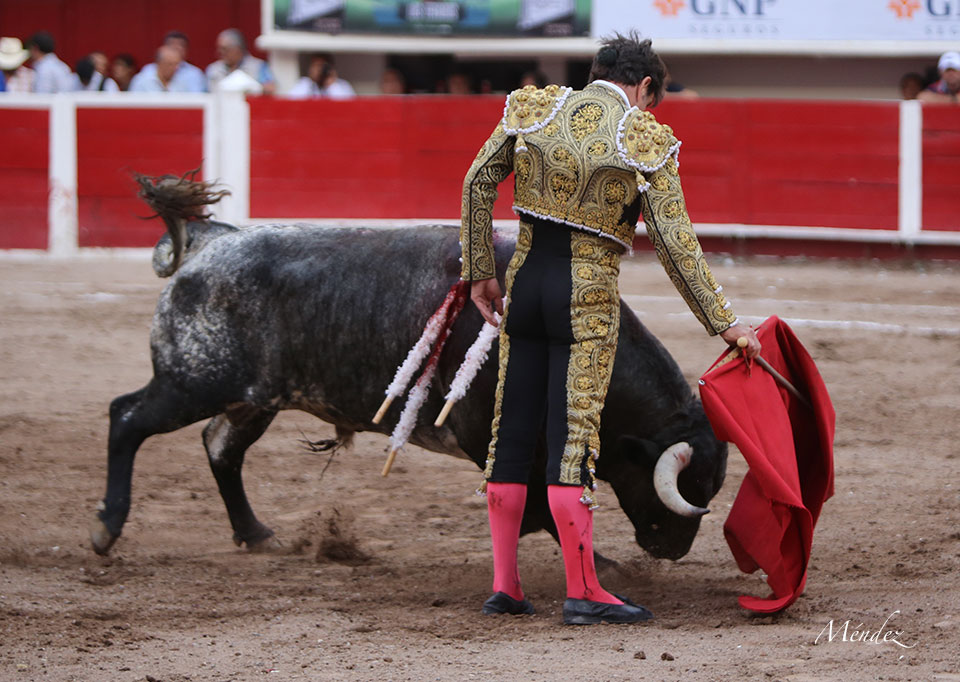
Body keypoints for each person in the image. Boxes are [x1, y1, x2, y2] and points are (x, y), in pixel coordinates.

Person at [459, 32, 760, 625]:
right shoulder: (643, 136)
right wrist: (723, 324)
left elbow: (476, 183)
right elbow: (676, 245)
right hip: (585, 295)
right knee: (573, 441)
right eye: (653, 99)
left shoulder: (535, 107)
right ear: (646, 87)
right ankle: (582, 592)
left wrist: (478, 273)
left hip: (523, 284)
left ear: (595, 72)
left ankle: (506, 587)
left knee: (511, 434)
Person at [206, 29, 275, 95]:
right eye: (219, 49)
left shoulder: (258, 67)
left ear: (238, 49)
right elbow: (204, 94)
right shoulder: (213, 70)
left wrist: (253, 88)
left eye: (225, 49)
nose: (221, 53)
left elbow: (270, 88)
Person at [135, 31, 207, 93]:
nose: (175, 68)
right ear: (159, 63)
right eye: (169, 64)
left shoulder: (191, 76)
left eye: (176, 64)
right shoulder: (144, 75)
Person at [288, 53, 355, 99]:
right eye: (316, 66)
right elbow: (292, 101)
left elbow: (347, 106)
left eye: (322, 66)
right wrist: (313, 80)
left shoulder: (342, 85)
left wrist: (331, 85)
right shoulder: (304, 83)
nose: (319, 70)